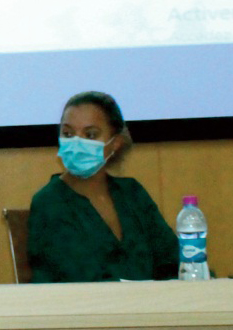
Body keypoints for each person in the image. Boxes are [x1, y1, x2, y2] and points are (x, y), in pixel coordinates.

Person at [28, 91, 178, 282]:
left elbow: (174, 260)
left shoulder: (132, 194)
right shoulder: (49, 202)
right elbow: (71, 277)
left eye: (90, 135)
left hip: (150, 300)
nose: (76, 142)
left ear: (115, 143)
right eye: (68, 134)